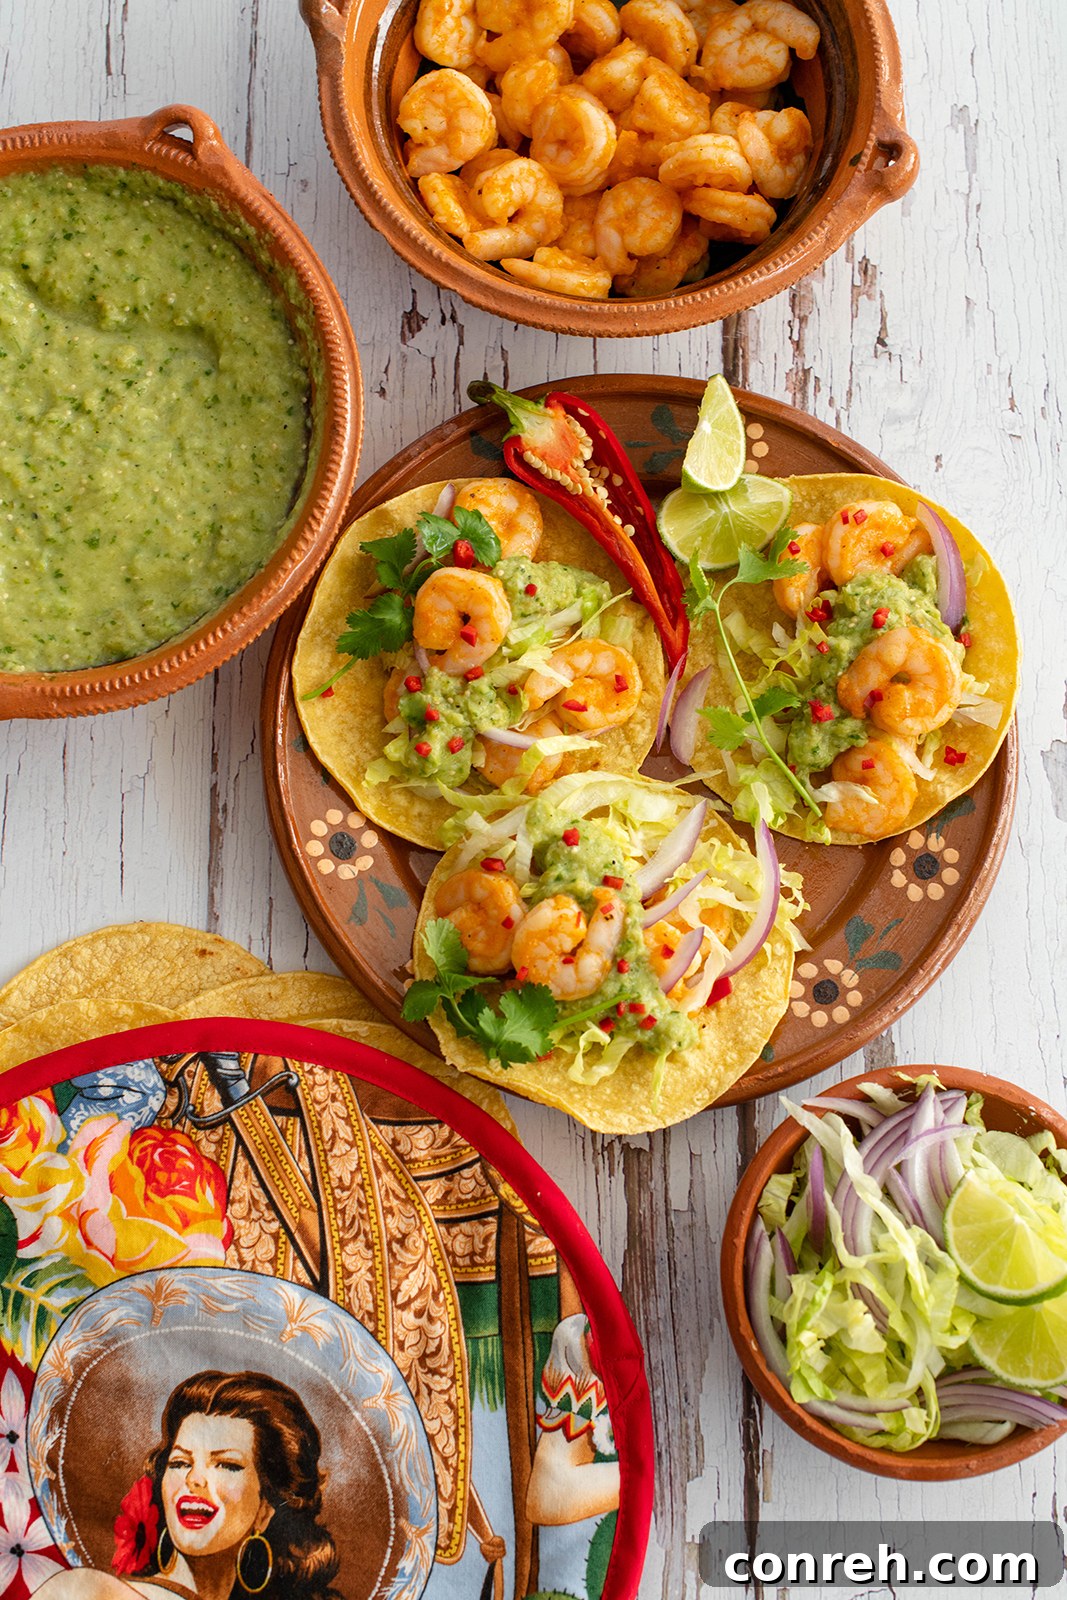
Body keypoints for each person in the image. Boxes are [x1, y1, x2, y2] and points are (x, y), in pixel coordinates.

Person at [36, 1371, 342, 1600]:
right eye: (180, 1463)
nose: (194, 1478)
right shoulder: (88, 1594)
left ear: (266, 1509)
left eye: (226, 1465)